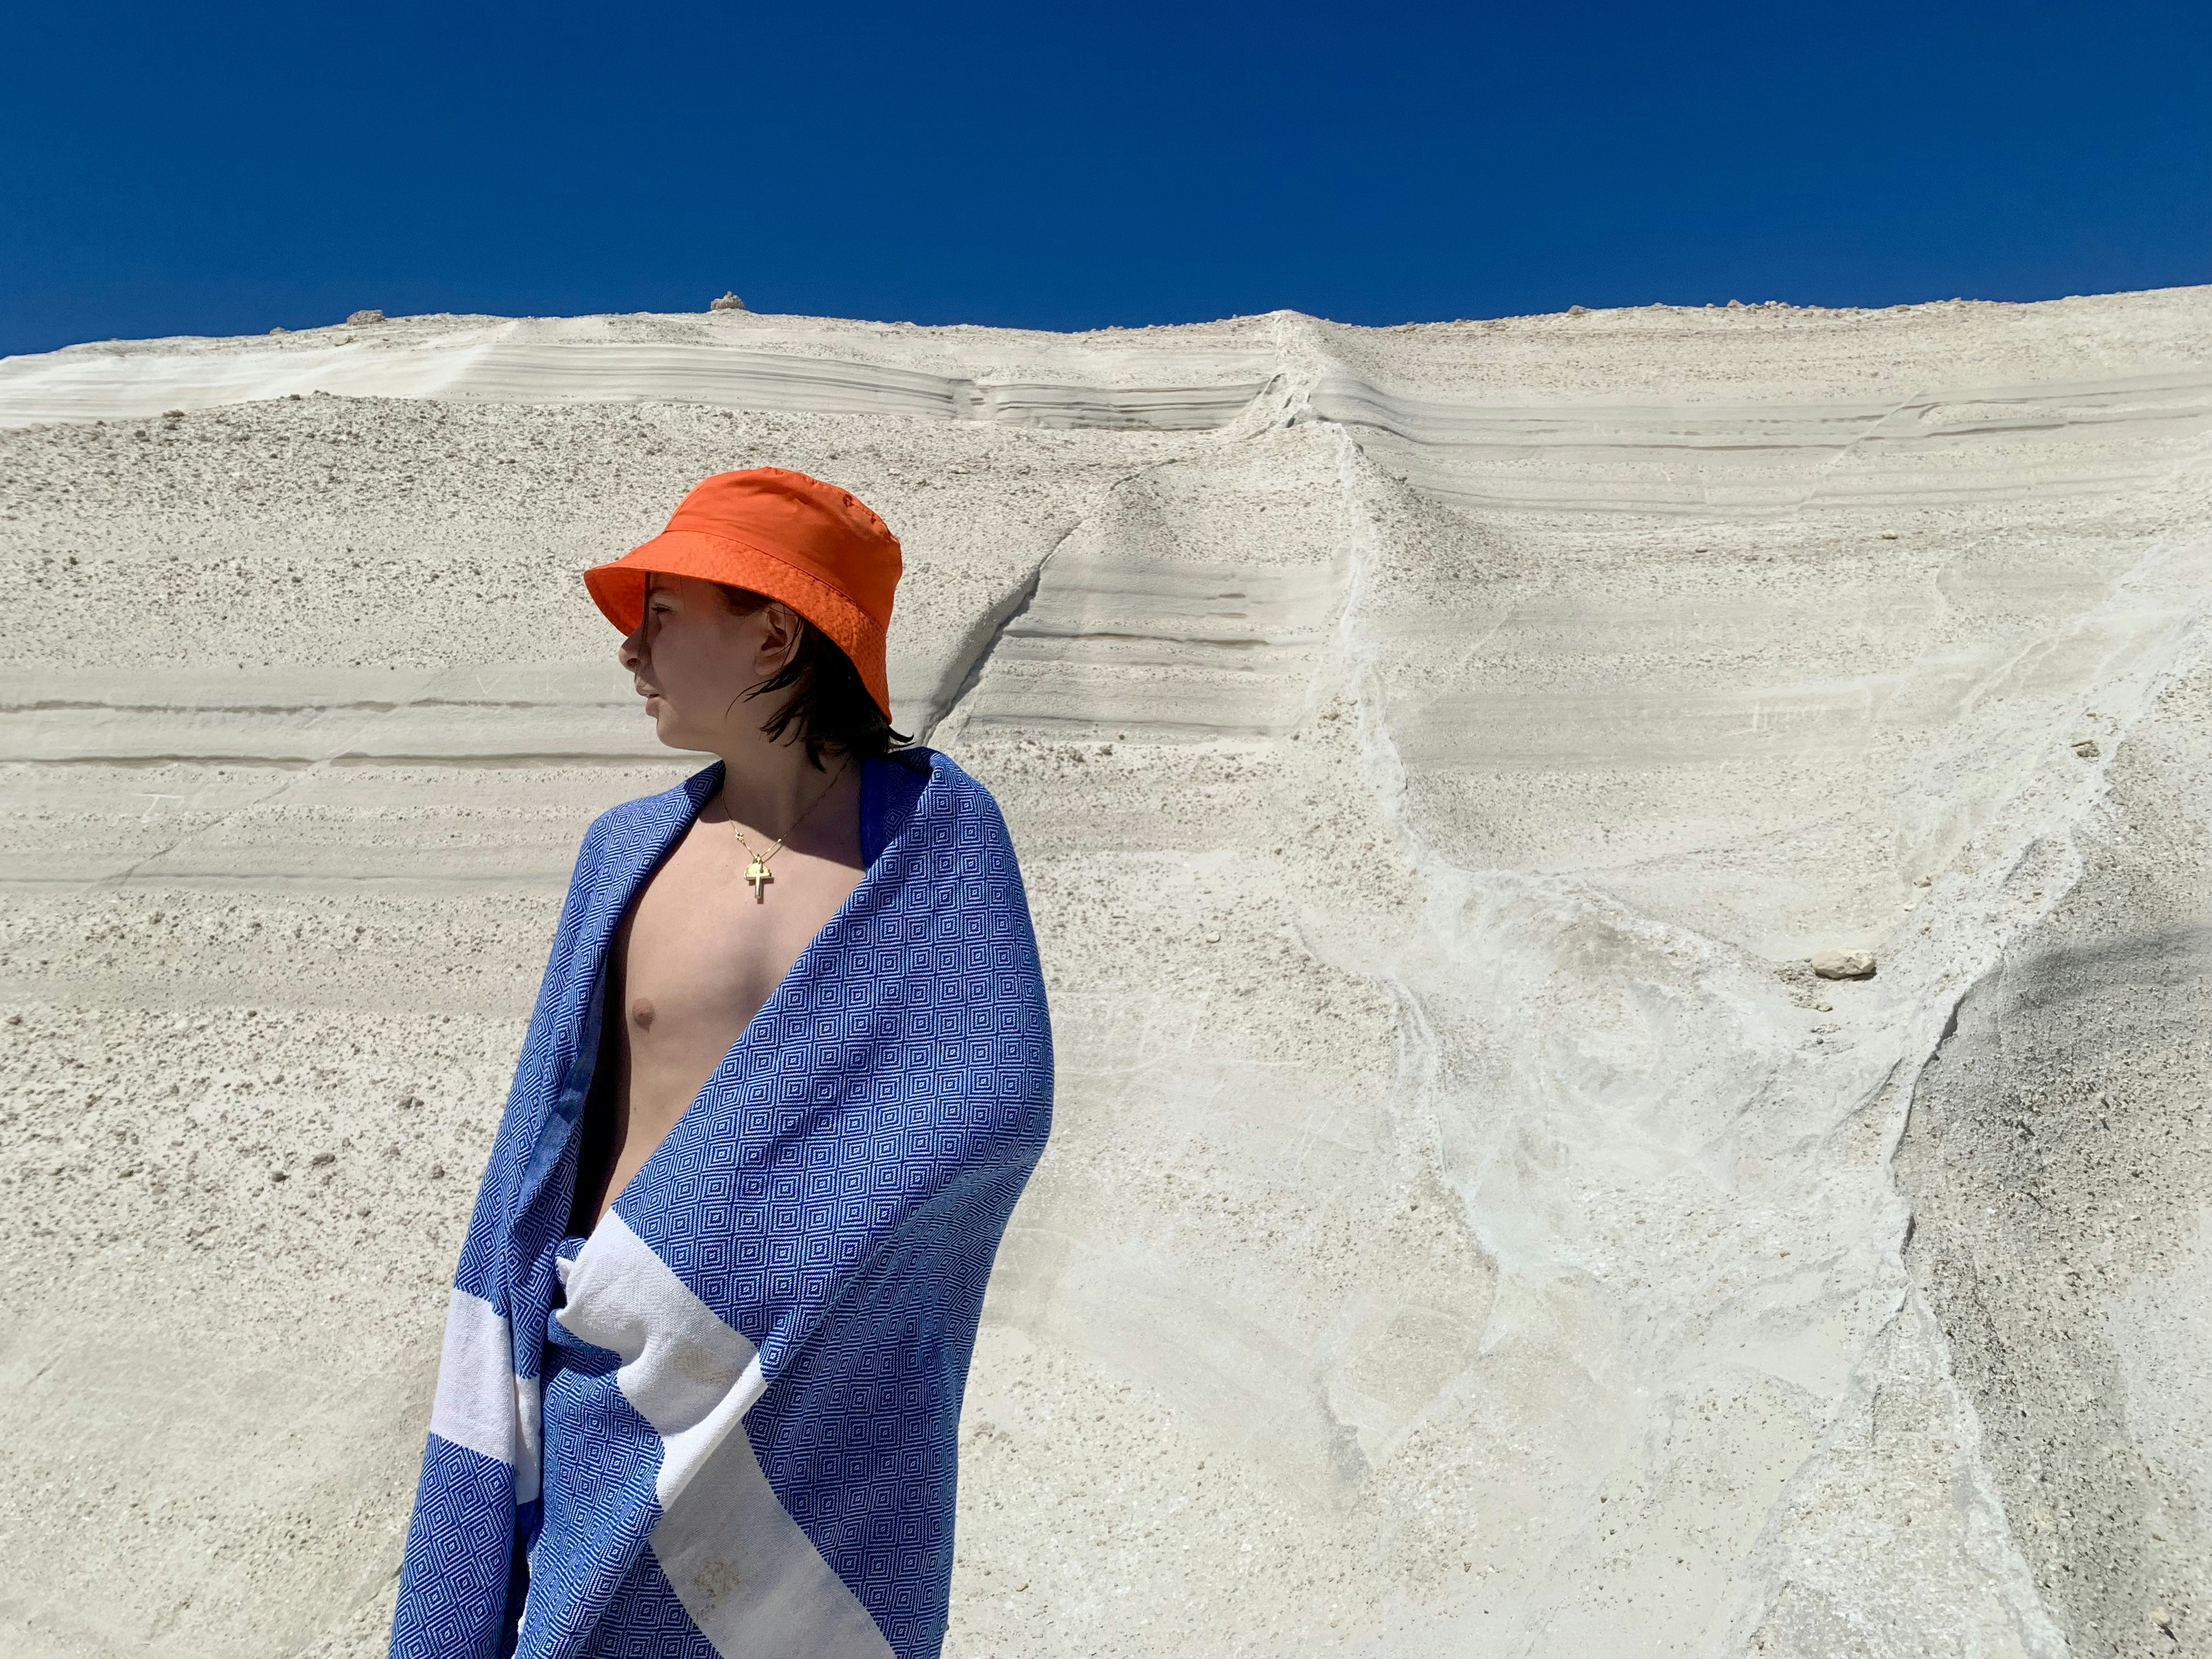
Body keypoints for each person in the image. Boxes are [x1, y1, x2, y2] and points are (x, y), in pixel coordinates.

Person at [390, 469, 1054, 1659]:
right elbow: (548, 1142)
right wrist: (632, 1300)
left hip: (824, 1400)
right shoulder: (625, 854)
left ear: (778, 629)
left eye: (662, 615)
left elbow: (994, 1103)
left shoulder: (939, 846)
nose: (630, 650)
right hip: (615, 1380)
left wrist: (762, 1267)